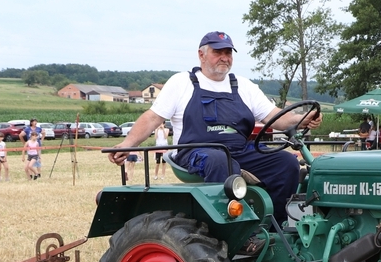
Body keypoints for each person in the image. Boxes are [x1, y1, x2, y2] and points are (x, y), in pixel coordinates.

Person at [108, 31, 321, 223]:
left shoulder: (243, 85)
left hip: (238, 151)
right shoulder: (182, 82)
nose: (224, 57)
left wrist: (301, 119)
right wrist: (128, 144)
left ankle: (277, 225)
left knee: (286, 163)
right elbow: (153, 118)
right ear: (201, 55)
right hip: (194, 151)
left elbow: (276, 118)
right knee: (220, 160)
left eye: (228, 52)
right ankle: (235, 231)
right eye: (218, 52)